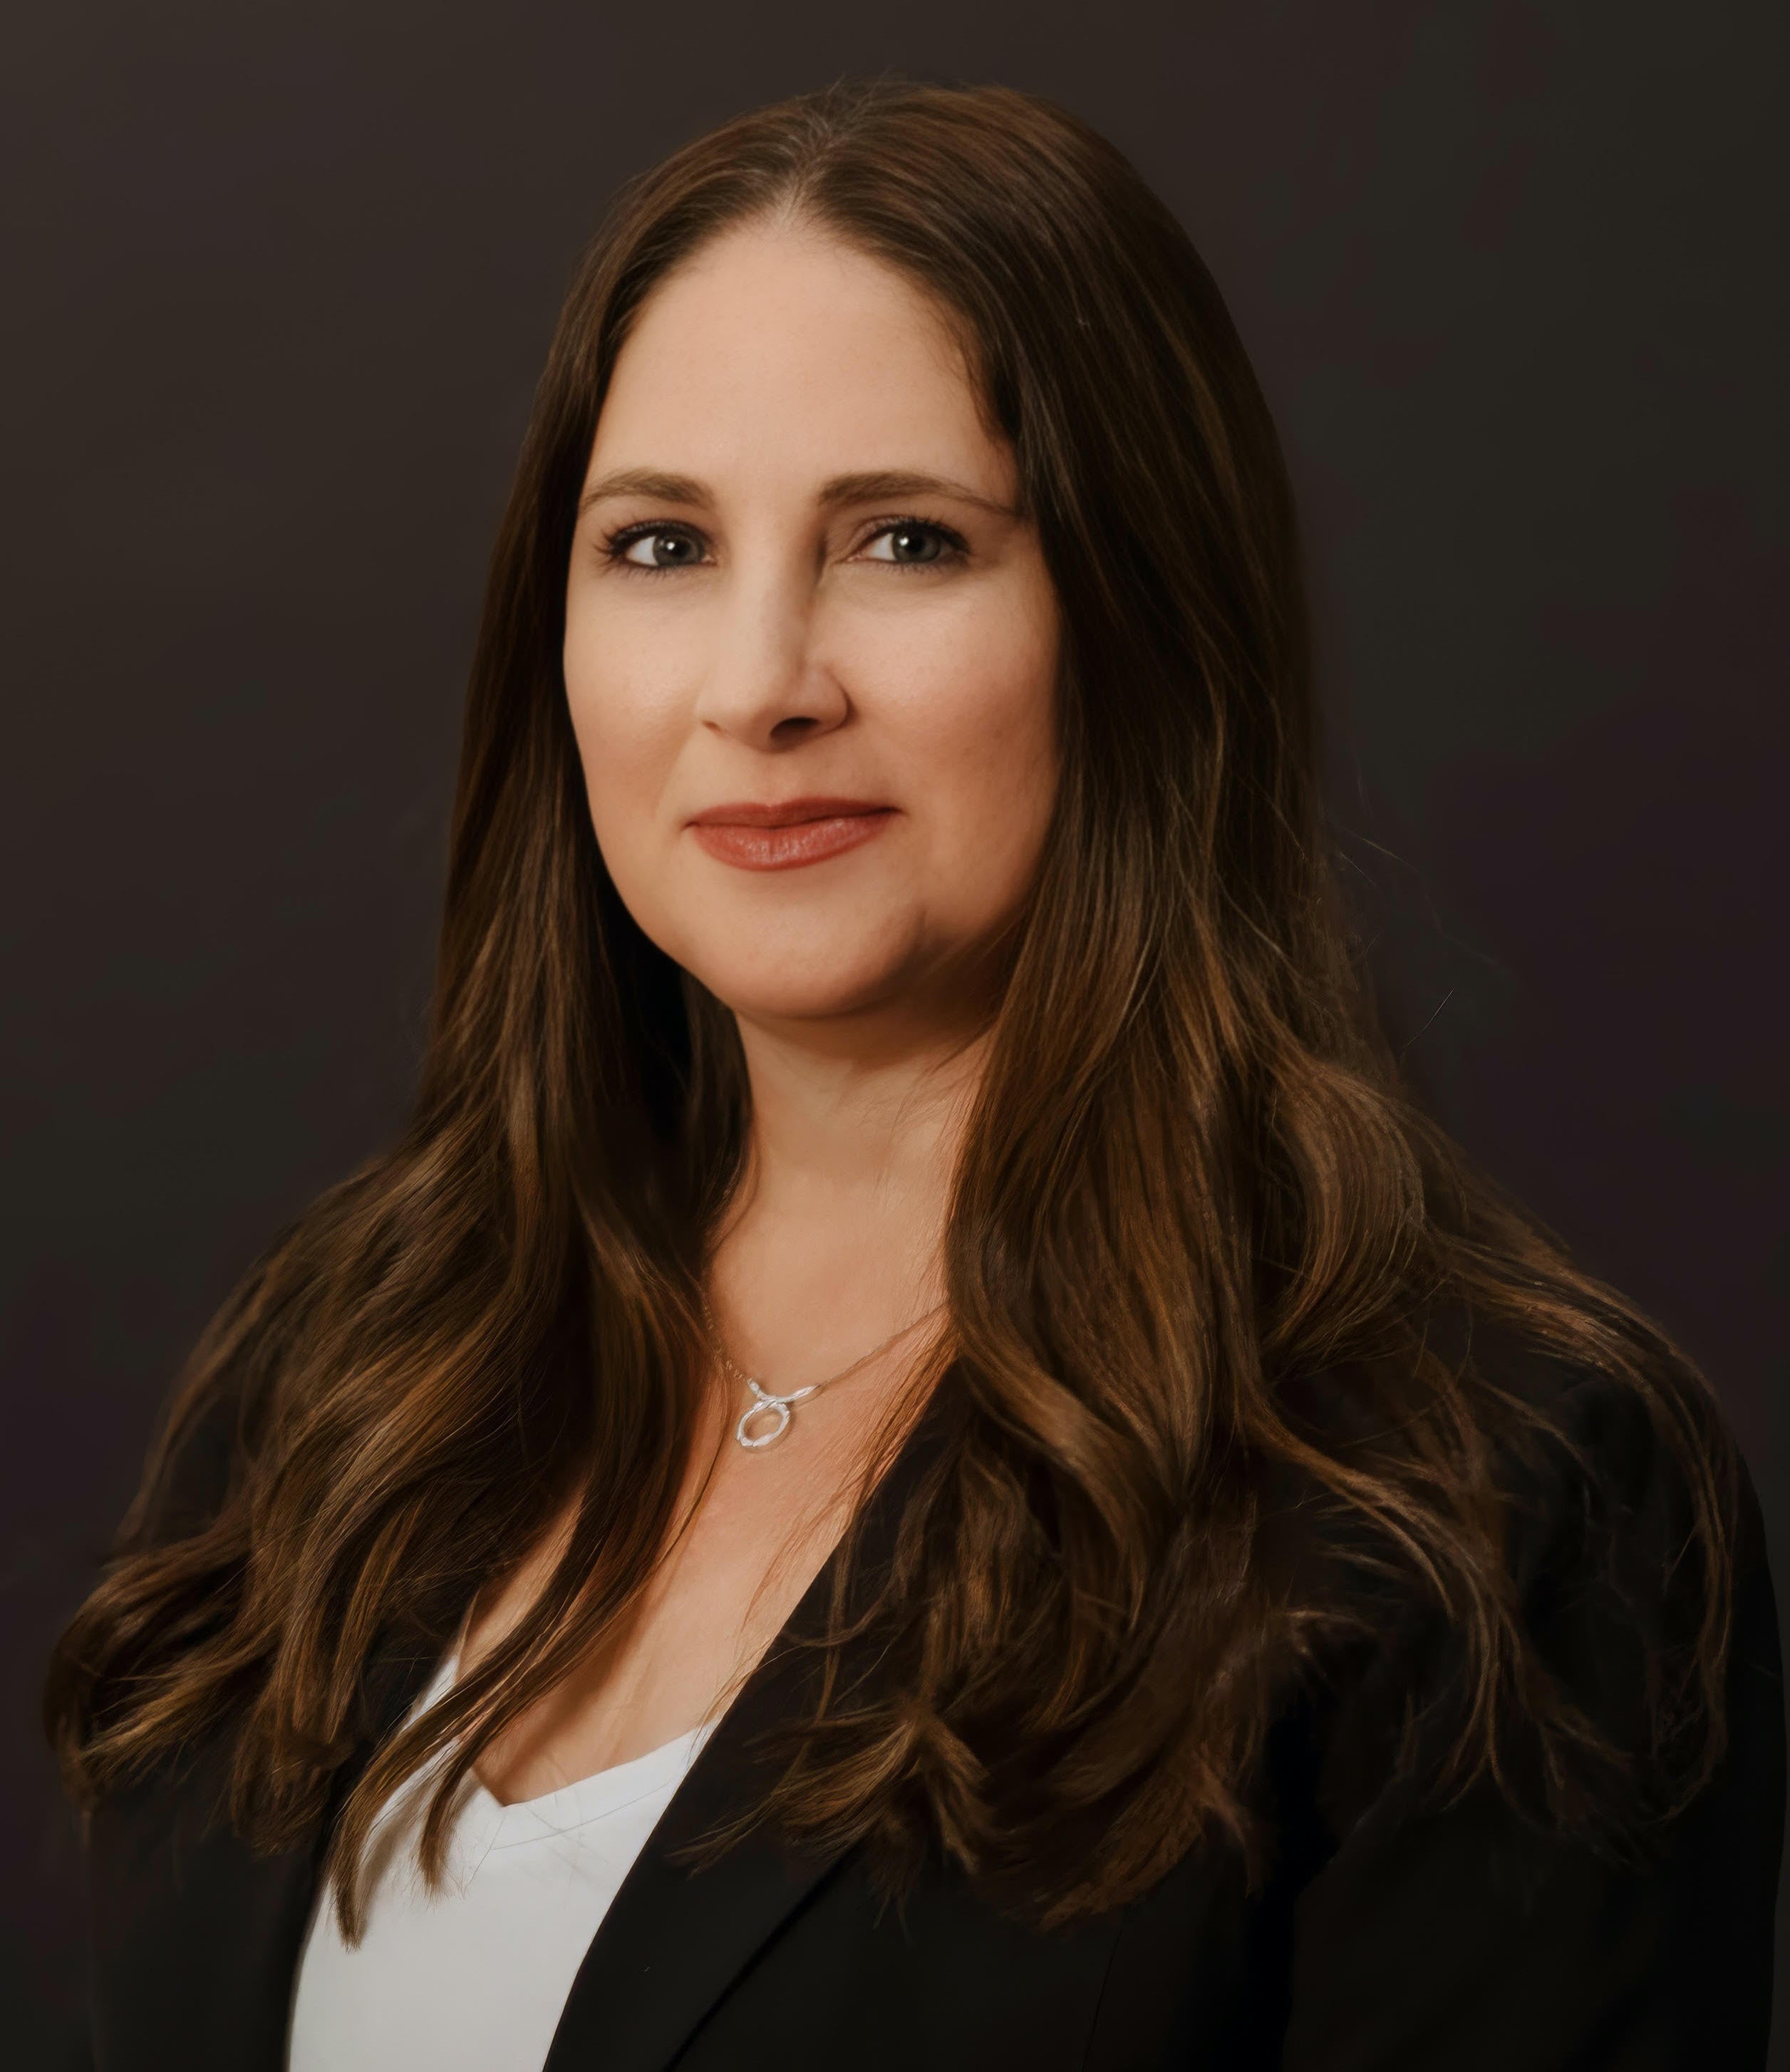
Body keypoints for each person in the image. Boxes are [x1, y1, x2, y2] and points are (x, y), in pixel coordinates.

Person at [46, 76, 1782, 2072]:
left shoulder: (1488, 1498)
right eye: (662, 543)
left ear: (1139, 622)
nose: (763, 679)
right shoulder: (347, 1376)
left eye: (904, 538)